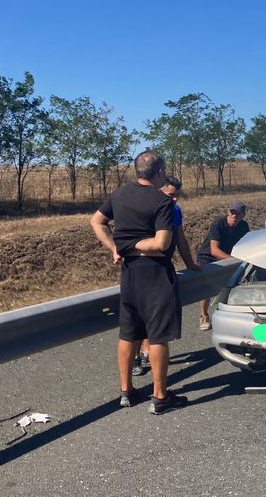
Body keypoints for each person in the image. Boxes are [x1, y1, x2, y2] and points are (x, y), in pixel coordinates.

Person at [89, 150, 188, 415]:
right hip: (155, 274)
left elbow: (96, 221)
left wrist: (115, 247)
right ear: (160, 172)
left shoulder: (120, 194)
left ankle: (126, 391)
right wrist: (133, 246)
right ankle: (160, 396)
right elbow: (162, 244)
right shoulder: (162, 202)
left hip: (130, 273)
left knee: (129, 331)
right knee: (157, 335)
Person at [132, 175, 200, 377]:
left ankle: (147, 353)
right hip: (141, 268)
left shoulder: (175, 210)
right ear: (158, 192)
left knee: (156, 318)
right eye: (171, 195)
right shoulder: (145, 209)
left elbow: (180, 238)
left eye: (177, 195)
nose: (175, 199)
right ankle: (137, 358)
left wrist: (189, 263)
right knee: (139, 318)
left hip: (163, 267)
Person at [196, 201, 250, 330]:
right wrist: (235, 260)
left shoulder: (243, 226)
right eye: (232, 212)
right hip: (208, 257)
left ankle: (232, 315)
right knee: (206, 287)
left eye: (238, 214)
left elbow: (246, 245)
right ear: (228, 212)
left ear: (243, 215)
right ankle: (204, 315)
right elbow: (214, 250)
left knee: (239, 282)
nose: (234, 216)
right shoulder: (219, 223)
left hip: (229, 256)